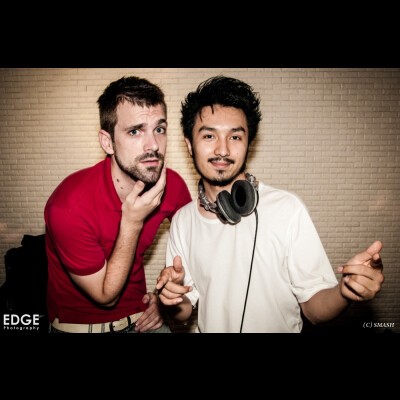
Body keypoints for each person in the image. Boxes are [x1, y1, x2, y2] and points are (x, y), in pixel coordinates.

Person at [156, 75, 385, 333]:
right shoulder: (183, 221)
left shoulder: (287, 209)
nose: (223, 150)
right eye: (209, 136)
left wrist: (344, 291)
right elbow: (184, 312)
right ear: (189, 144)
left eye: (235, 137)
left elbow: (314, 310)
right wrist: (173, 297)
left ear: (249, 143)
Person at [44, 76, 192, 333]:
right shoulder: (67, 206)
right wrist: (132, 222)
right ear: (107, 142)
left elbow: (194, 247)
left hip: (141, 318)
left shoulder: (173, 185)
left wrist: (164, 300)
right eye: (135, 131)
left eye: (159, 129)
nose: (153, 145)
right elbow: (105, 296)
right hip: (78, 326)